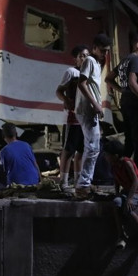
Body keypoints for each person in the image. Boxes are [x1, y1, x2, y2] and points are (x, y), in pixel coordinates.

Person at [105, 32, 138, 175]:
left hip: (125, 102)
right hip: (135, 104)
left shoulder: (125, 60)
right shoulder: (137, 59)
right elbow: (133, 82)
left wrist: (122, 90)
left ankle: (122, 171)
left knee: (130, 140)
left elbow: (108, 79)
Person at [74, 33, 113, 199]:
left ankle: (85, 183)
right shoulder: (90, 61)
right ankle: (83, 185)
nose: (104, 54)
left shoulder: (96, 62)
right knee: (92, 148)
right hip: (87, 110)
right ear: (95, 48)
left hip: (91, 110)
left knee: (93, 147)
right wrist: (97, 104)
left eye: (106, 51)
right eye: (102, 50)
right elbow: (81, 83)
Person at [102, 139, 138, 251]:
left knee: (127, 207)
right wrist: (117, 194)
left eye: (107, 155)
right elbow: (116, 180)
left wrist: (129, 199)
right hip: (126, 191)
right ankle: (121, 235)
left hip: (137, 191)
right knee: (116, 204)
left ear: (115, 155)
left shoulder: (126, 163)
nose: (105, 157)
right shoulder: (113, 165)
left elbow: (136, 182)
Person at [55, 44, 89, 190]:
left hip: (86, 118)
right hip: (73, 118)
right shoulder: (71, 72)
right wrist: (67, 101)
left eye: (87, 55)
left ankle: (77, 181)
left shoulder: (90, 73)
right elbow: (59, 91)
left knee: (81, 150)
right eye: (81, 56)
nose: (84, 58)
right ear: (75, 59)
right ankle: (63, 181)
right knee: (68, 150)